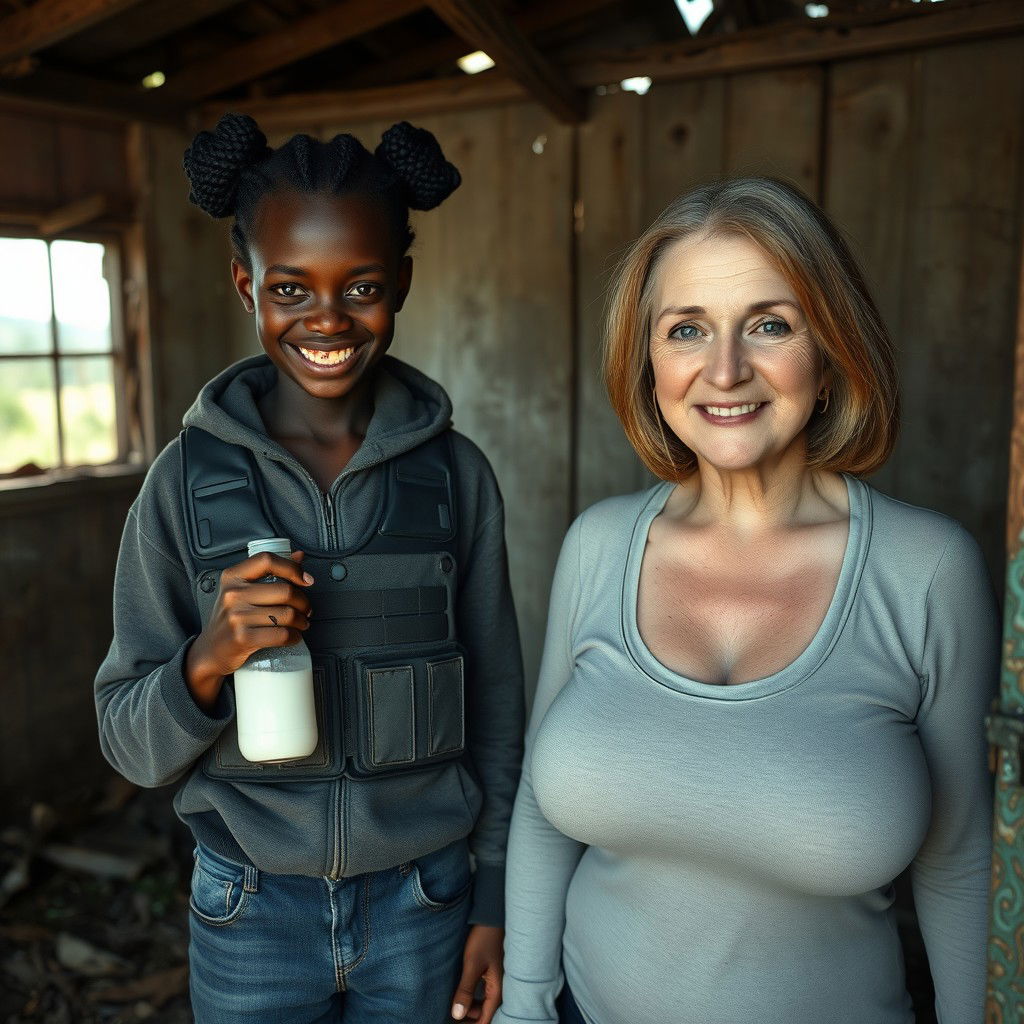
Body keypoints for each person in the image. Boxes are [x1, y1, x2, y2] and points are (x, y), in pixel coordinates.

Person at [494, 177, 997, 1024]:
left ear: (832, 345)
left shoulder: (928, 569)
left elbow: (960, 854)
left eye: (770, 324)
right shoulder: (599, 546)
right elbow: (543, 819)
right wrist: (523, 1006)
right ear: (648, 357)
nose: (724, 370)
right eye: (686, 329)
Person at [95, 113, 524, 1024]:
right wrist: (206, 660)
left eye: (360, 286)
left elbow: (496, 707)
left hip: (427, 904)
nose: (327, 319)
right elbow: (127, 741)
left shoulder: (456, 478)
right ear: (246, 284)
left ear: (402, 282)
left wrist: (493, 898)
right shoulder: (183, 484)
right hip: (251, 910)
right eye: (291, 288)